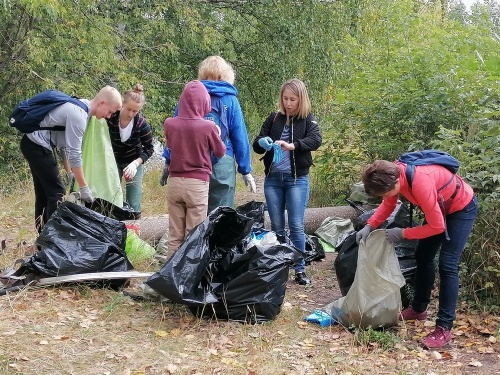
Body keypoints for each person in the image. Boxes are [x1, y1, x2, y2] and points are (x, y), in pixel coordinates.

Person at [357, 159, 478, 349]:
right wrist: (370, 225)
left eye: (386, 193)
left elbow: (437, 227)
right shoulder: (393, 175)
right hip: (440, 209)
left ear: (395, 182)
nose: (386, 196)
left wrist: (403, 233)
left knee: (447, 264)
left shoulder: (421, 182)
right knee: (423, 256)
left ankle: (444, 328)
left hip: (461, 208)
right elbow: (388, 204)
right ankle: (419, 309)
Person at [20, 85, 122, 233]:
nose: (109, 116)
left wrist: (69, 172)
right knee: (57, 193)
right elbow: (75, 153)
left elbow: (65, 145)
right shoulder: (79, 115)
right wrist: (84, 187)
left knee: (44, 191)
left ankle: (42, 237)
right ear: (102, 103)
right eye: (110, 112)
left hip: (33, 144)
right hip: (36, 146)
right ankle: (51, 240)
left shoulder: (82, 106)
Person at [160, 55, 256, 212]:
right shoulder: (230, 100)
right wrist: (245, 170)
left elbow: (175, 131)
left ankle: (194, 236)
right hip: (223, 160)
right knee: (220, 214)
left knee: (194, 213)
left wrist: (168, 161)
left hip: (190, 162)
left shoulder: (188, 96)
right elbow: (240, 137)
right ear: (225, 74)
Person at [252, 78, 322, 285]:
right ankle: (279, 268)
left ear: (301, 100)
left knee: (296, 225)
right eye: (285, 99)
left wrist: (294, 146)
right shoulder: (274, 118)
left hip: (296, 179)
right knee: (276, 226)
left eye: (293, 99)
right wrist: (261, 142)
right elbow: (257, 142)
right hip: (273, 179)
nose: (289, 103)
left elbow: (316, 140)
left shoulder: (308, 120)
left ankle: (300, 270)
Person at [164, 80, 226, 252]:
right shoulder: (208, 127)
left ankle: (171, 276)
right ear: (204, 101)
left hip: (174, 181)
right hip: (197, 184)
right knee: (194, 235)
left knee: (174, 235)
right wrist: (217, 134)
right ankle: (190, 277)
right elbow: (220, 151)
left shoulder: (170, 123)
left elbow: (170, 146)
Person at [106, 84, 154, 212]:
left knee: (133, 201)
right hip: (113, 161)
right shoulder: (110, 117)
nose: (131, 113)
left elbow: (149, 149)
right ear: (122, 104)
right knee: (111, 197)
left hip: (133, 162)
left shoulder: (142, 125)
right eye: (128, 109)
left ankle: (134, 229)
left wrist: (136, 163)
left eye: (135, 111)